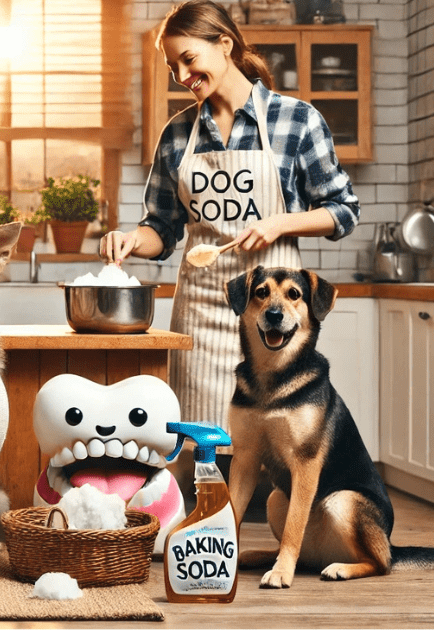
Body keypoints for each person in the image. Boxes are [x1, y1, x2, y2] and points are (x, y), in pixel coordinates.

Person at [100, 0, 359, 444]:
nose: (182, 77)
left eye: (189, 60)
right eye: (172, 67)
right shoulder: (178, 135)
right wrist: (129, 240)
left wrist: (281, 224)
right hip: (200, 313)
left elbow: (344, 210)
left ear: (224, 44)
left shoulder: (296, 121)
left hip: (271, 315)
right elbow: (160, 231)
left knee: (270, 441)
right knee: (199, 441)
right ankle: (210, 513)